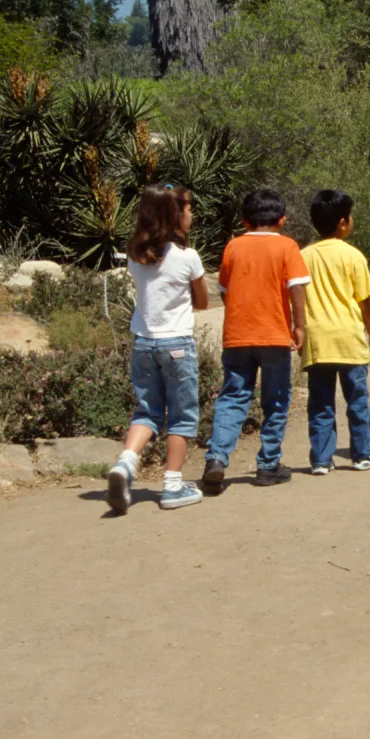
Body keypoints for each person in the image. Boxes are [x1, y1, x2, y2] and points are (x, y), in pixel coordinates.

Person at [107, 184, 210, 514]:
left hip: (143, 343)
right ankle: (172, 485)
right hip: (177, 344)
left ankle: (126, 462)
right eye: (188, 209)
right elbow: (204, 301)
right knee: (181, 415)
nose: (191, 214)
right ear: (174, 215)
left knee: (147, 411)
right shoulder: (187, 257)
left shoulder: (135, 254)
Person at [201, 190, 309, 494]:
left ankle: (216, 458)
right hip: (274, 336)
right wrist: (298, 325)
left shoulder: (233, 247)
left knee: (233, 396)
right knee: (275, 400)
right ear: (282, 220)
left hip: (237, 336)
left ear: (244, 220)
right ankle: (268, 465)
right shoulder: (288, 246)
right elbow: (297, 289)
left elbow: (223, 289)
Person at [300, 189, 370, 473]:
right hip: (349, 339)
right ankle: (362, 454)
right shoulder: (353, 256)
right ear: (341, 222)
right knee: (357, 400)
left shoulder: (304, 256)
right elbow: (366, 301)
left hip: (317, 341)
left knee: (321, 403)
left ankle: (322, 460)